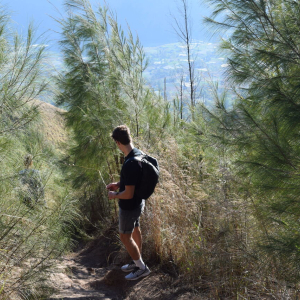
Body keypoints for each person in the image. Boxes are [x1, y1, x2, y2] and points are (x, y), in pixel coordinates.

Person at [106, 125, 151, 281]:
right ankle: (137, 260)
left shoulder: (130, 163)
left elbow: (128, 193)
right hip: (139, 203)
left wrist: (114, 194)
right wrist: (119, 184)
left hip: (129, 205)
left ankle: (141, 268)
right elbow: (132, 182)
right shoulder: (137, 154)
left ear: (118, 142)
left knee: (125, 236)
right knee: (135, 229)